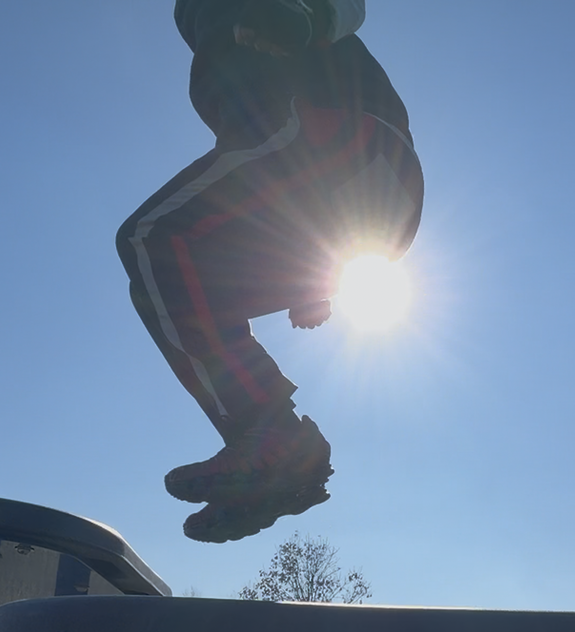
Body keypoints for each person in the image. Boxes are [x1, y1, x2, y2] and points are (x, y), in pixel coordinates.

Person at [117, 0, 423, 542]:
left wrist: (305, 17)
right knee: (186, 283)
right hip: (347, 202)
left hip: (352, 144)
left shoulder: (270, 19)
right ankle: (272, 464)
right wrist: (314, 270)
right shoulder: (221, 61)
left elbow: (349, 8)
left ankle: (269, 434)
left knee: (154, 237)